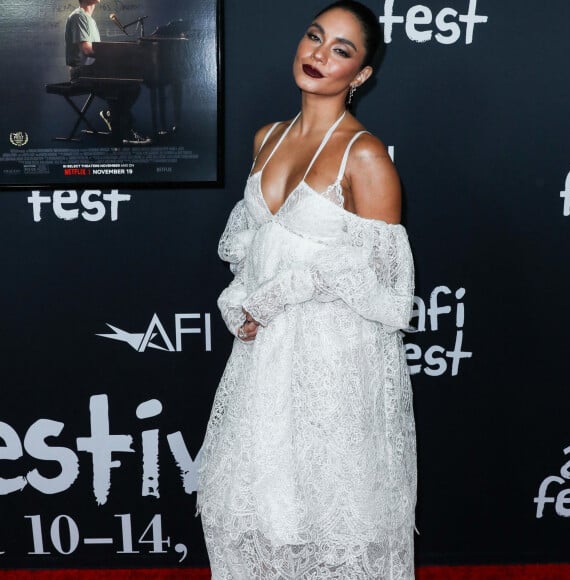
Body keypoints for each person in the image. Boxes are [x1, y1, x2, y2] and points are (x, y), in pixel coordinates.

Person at [196, 1, 416, 578]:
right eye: (315, 37)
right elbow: (249, 249)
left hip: (334, 371)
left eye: (341, 50)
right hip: (265, 363)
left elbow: (389, 294)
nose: (320, 55)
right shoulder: (266, 138)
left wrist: (287, 290)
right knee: (249, 510)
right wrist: (245, 300)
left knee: (331, 516)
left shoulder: (364, 156)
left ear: (361, 74)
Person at [65, 0, 150, 145]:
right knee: (121, 89)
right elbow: (87, 50)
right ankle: (122, 132)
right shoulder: (79, 16)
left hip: (92, 70)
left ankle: (116, 121)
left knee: (132, 87)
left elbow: (97, 52)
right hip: (81, 73)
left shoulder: (89, 19)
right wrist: (118, 55)